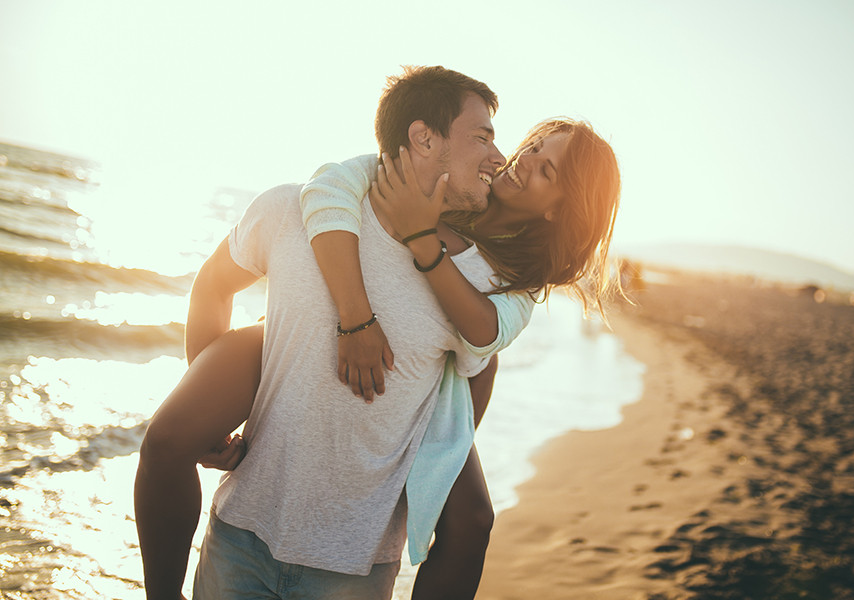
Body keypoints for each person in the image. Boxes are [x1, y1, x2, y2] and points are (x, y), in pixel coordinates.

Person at [137, 69, 622, 599]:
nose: (510, 158)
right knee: (196, 406)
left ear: (559, 207)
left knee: (472, 521)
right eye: (509, 142)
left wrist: (435, 454)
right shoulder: (318, 201)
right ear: (423, 137)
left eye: (544, 167)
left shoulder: (498, 281)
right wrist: (213, 408)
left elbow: (483, 354)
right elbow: (320, 195)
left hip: (356, 555)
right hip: (241, 535)